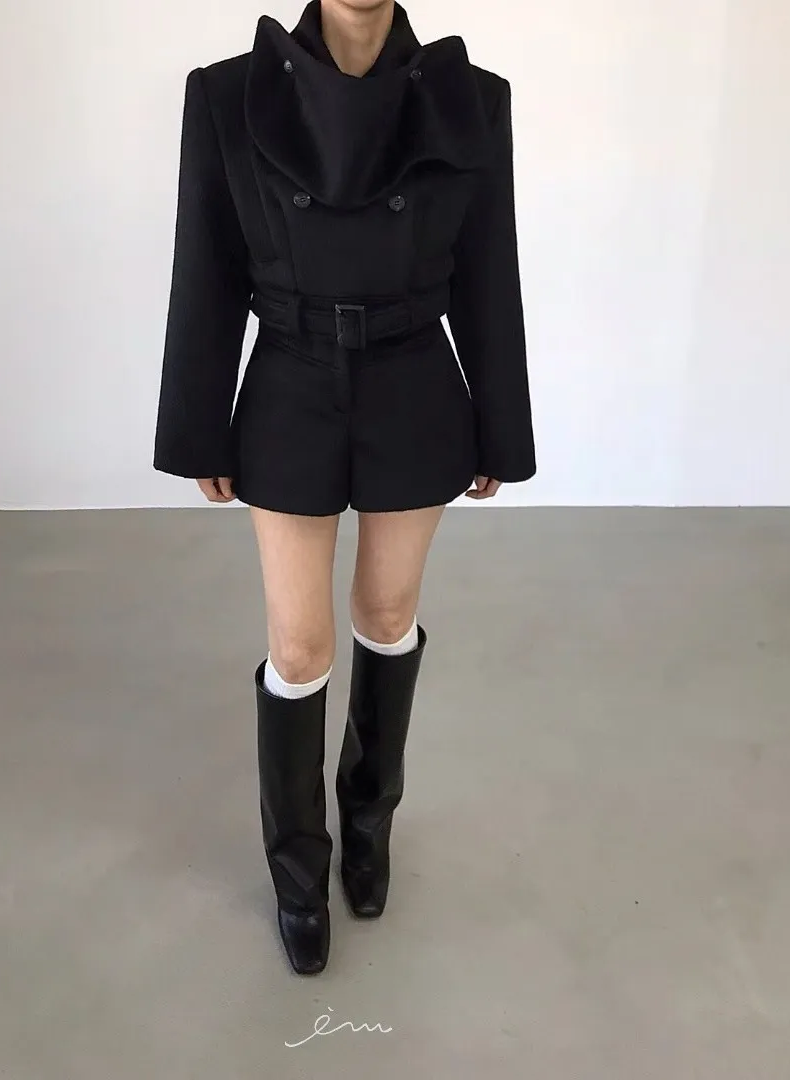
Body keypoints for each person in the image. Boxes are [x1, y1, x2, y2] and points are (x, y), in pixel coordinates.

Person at [153, 0, 535, 975]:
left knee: (388, 610)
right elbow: (207, 265)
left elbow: (489, 271)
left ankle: (369, 824)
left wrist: (502, 423)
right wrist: (197, 422)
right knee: (298, 642)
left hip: (413, 378)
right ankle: (298, 870)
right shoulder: (226, 97)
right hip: (290, 378)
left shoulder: (472, 101)